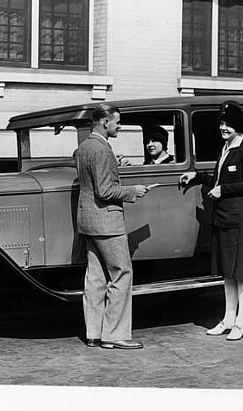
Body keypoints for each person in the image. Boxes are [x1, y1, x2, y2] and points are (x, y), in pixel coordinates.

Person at [179, 101, 243, 341]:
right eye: (222, 124)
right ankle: (228, 319)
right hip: (223, 219)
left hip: (240, 221)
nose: (223, 128)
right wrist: (196, 177)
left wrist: (223, 190)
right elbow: (217, 179)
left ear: (238, 126)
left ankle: (241, 323)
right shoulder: (226, 148)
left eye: (228, 124)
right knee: (228, 273)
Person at [75, 103, 149, 349]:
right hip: (108, 222)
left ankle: (94, 334)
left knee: (95, 278)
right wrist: (132, 191)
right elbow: (105, 190)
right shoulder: (103, 150)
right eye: (117, 122)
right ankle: (115, 334)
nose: (119, 126)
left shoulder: (84, 147)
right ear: (105, 122)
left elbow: (95, 180)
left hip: (89, 222)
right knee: (122, 273)